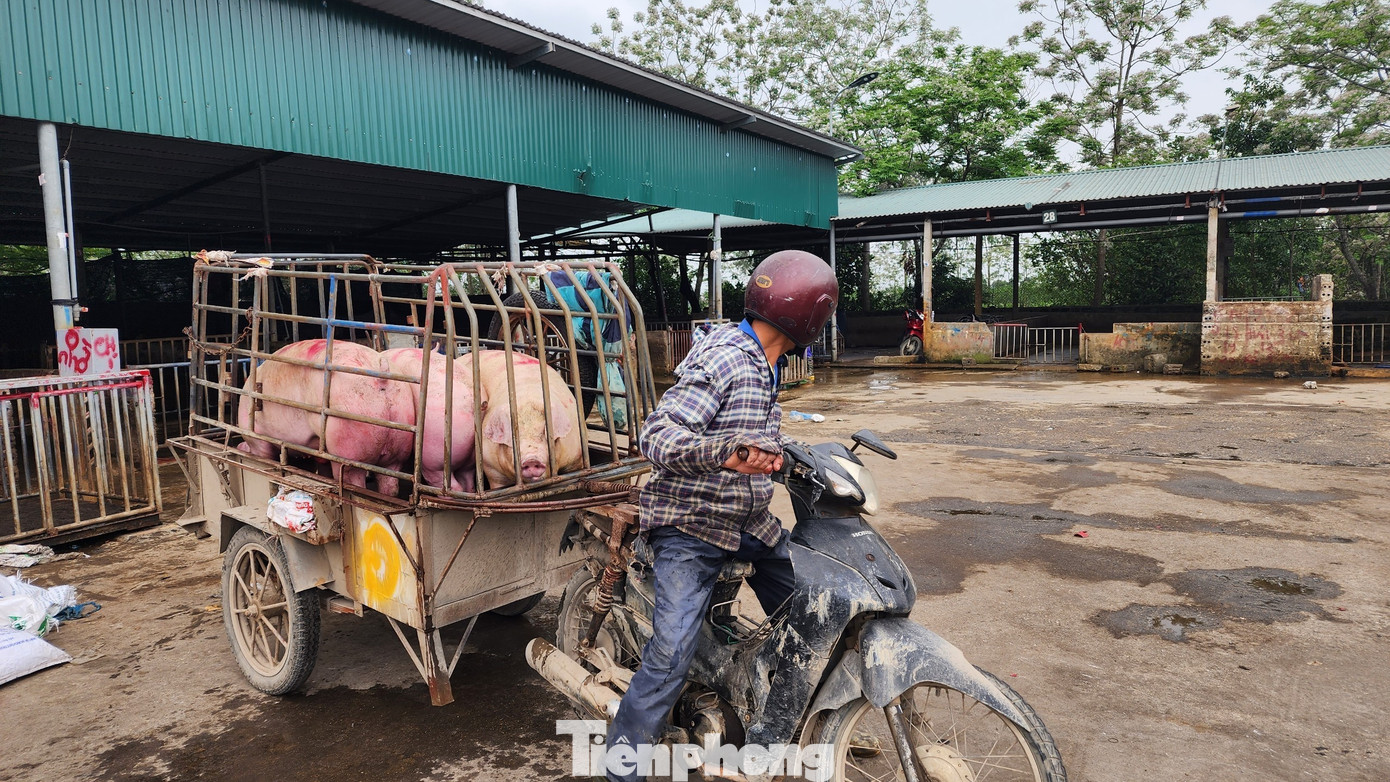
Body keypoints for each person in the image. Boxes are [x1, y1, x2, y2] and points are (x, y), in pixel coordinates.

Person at [604, 250, 839, 782]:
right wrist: (725, 452)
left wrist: (797, 455)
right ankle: (620, 770)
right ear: (810, 316)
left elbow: (757, 432)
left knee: (812, 609)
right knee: (670, 655)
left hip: (748, 523)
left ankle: (801, 718)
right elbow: (658, 436)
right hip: (690, 524)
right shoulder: (727, 357)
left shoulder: (770, 360)